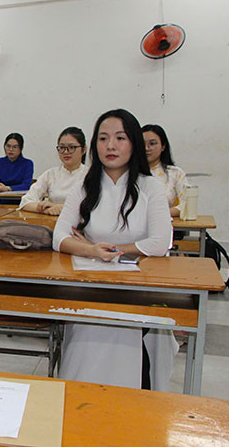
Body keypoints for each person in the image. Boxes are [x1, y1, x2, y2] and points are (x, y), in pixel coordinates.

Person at [52, 109, 175, 391]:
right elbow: (58, 237)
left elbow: (160, 242)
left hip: (139, 284)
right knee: (85, 342)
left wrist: (106, 249)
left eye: (120, 138)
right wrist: (93, 251)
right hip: (92, 281)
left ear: (133, 143)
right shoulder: (85, 186)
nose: (111, 146)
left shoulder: (151, 187)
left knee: (124, 334)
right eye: (103, 138)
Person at [19, 127, 88, 215]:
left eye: (72, 147)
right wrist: (45, 209)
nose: (66, 152)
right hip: (52, 221)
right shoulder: (50, 174)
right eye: (62, 147)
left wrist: (61, 207)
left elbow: (94, 206)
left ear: (84, 149)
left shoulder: (91, 175)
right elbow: (25, 202)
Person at [142, 124, 188, 217]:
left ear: (163, 146)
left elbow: (187, 204)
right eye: (142, 144)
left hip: (166, 222)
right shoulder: (127, 172)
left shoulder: (175, 173)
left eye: (152, 143)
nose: (146, 148)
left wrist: (160, 214)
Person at [0, 133, 34, 205]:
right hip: (4, 201)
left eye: (15, 147)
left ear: (21, 148)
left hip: (22, 201)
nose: (11, 149)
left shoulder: (28, 163)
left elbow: (26, 185)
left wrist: (8, 188)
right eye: (8, 146)